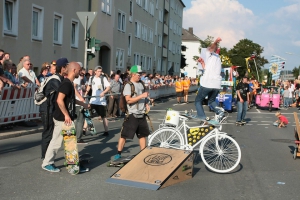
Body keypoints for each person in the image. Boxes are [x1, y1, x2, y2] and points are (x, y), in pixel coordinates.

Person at [41, 62, 90, 172]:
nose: (81, 72)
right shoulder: (66, 84)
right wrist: (66, 115)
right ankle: (47, 163)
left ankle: (73, 164)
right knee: (56, 142)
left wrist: (83, 104)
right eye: (79, 70)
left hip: (66, 118)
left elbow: (71, 99)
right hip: (62, 118)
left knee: (70, 143)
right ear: (74, 70)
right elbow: (59, 100)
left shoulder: (69, 84)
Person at [114, 65, 150, 160]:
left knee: (142, 135)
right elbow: (128, 100)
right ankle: (119, 153)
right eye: (139, 74)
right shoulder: (128, 85)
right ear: (133, 74)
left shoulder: (141, 84)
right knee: (124, 135)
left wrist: (146, 103)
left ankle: (143, 153)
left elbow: (143, 97)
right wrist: (142, 96)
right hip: (132, 114)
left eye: (141, 74)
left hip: (141, 114)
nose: (141, 75)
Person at [194, 37, 223, 123]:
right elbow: (206, 69)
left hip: (208, 83)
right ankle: (220, 111)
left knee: (198, 101)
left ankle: (202, 118)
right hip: (217, 85)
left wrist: (215, 42)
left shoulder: (209, 53)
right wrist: (202, 63)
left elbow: (212, 48)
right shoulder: (217, 58)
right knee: (211, 100)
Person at [85, 66, 111, 136]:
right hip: (93, 100)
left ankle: (106, 131)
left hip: (101, 101)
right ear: (95, 71)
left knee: (103, 116)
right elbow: (89, 86)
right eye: (98, 71)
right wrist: (86, 93)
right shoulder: (91, 78)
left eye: (101, 71)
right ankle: (85, 129)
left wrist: (104, 92)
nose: (100, 72)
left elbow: (108, 87)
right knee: (88, 115)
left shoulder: (103, 78)